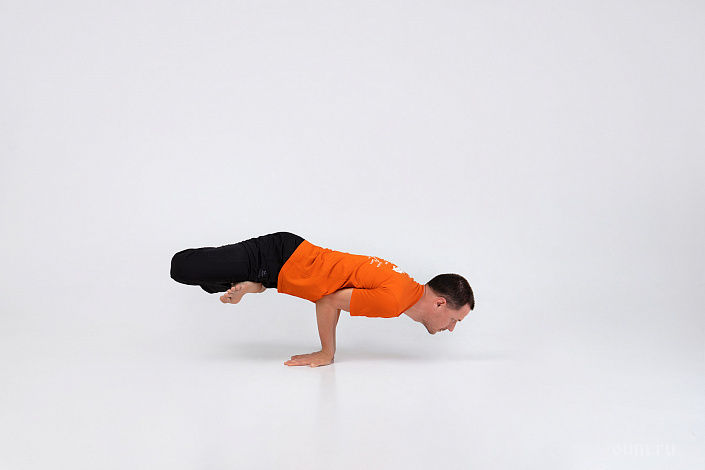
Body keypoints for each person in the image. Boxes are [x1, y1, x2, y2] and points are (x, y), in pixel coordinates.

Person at [170, 232, 474, 367]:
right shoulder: (394, 301)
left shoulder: (404, 286)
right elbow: (329, 299)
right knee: (181, 267)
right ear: (440, 303)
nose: (450, 328)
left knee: (209, 286)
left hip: (283, 267)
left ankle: (257, 285)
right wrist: (327, 352)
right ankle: (256, 283)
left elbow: (330, 289)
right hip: (277, 257)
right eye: (454, 320)